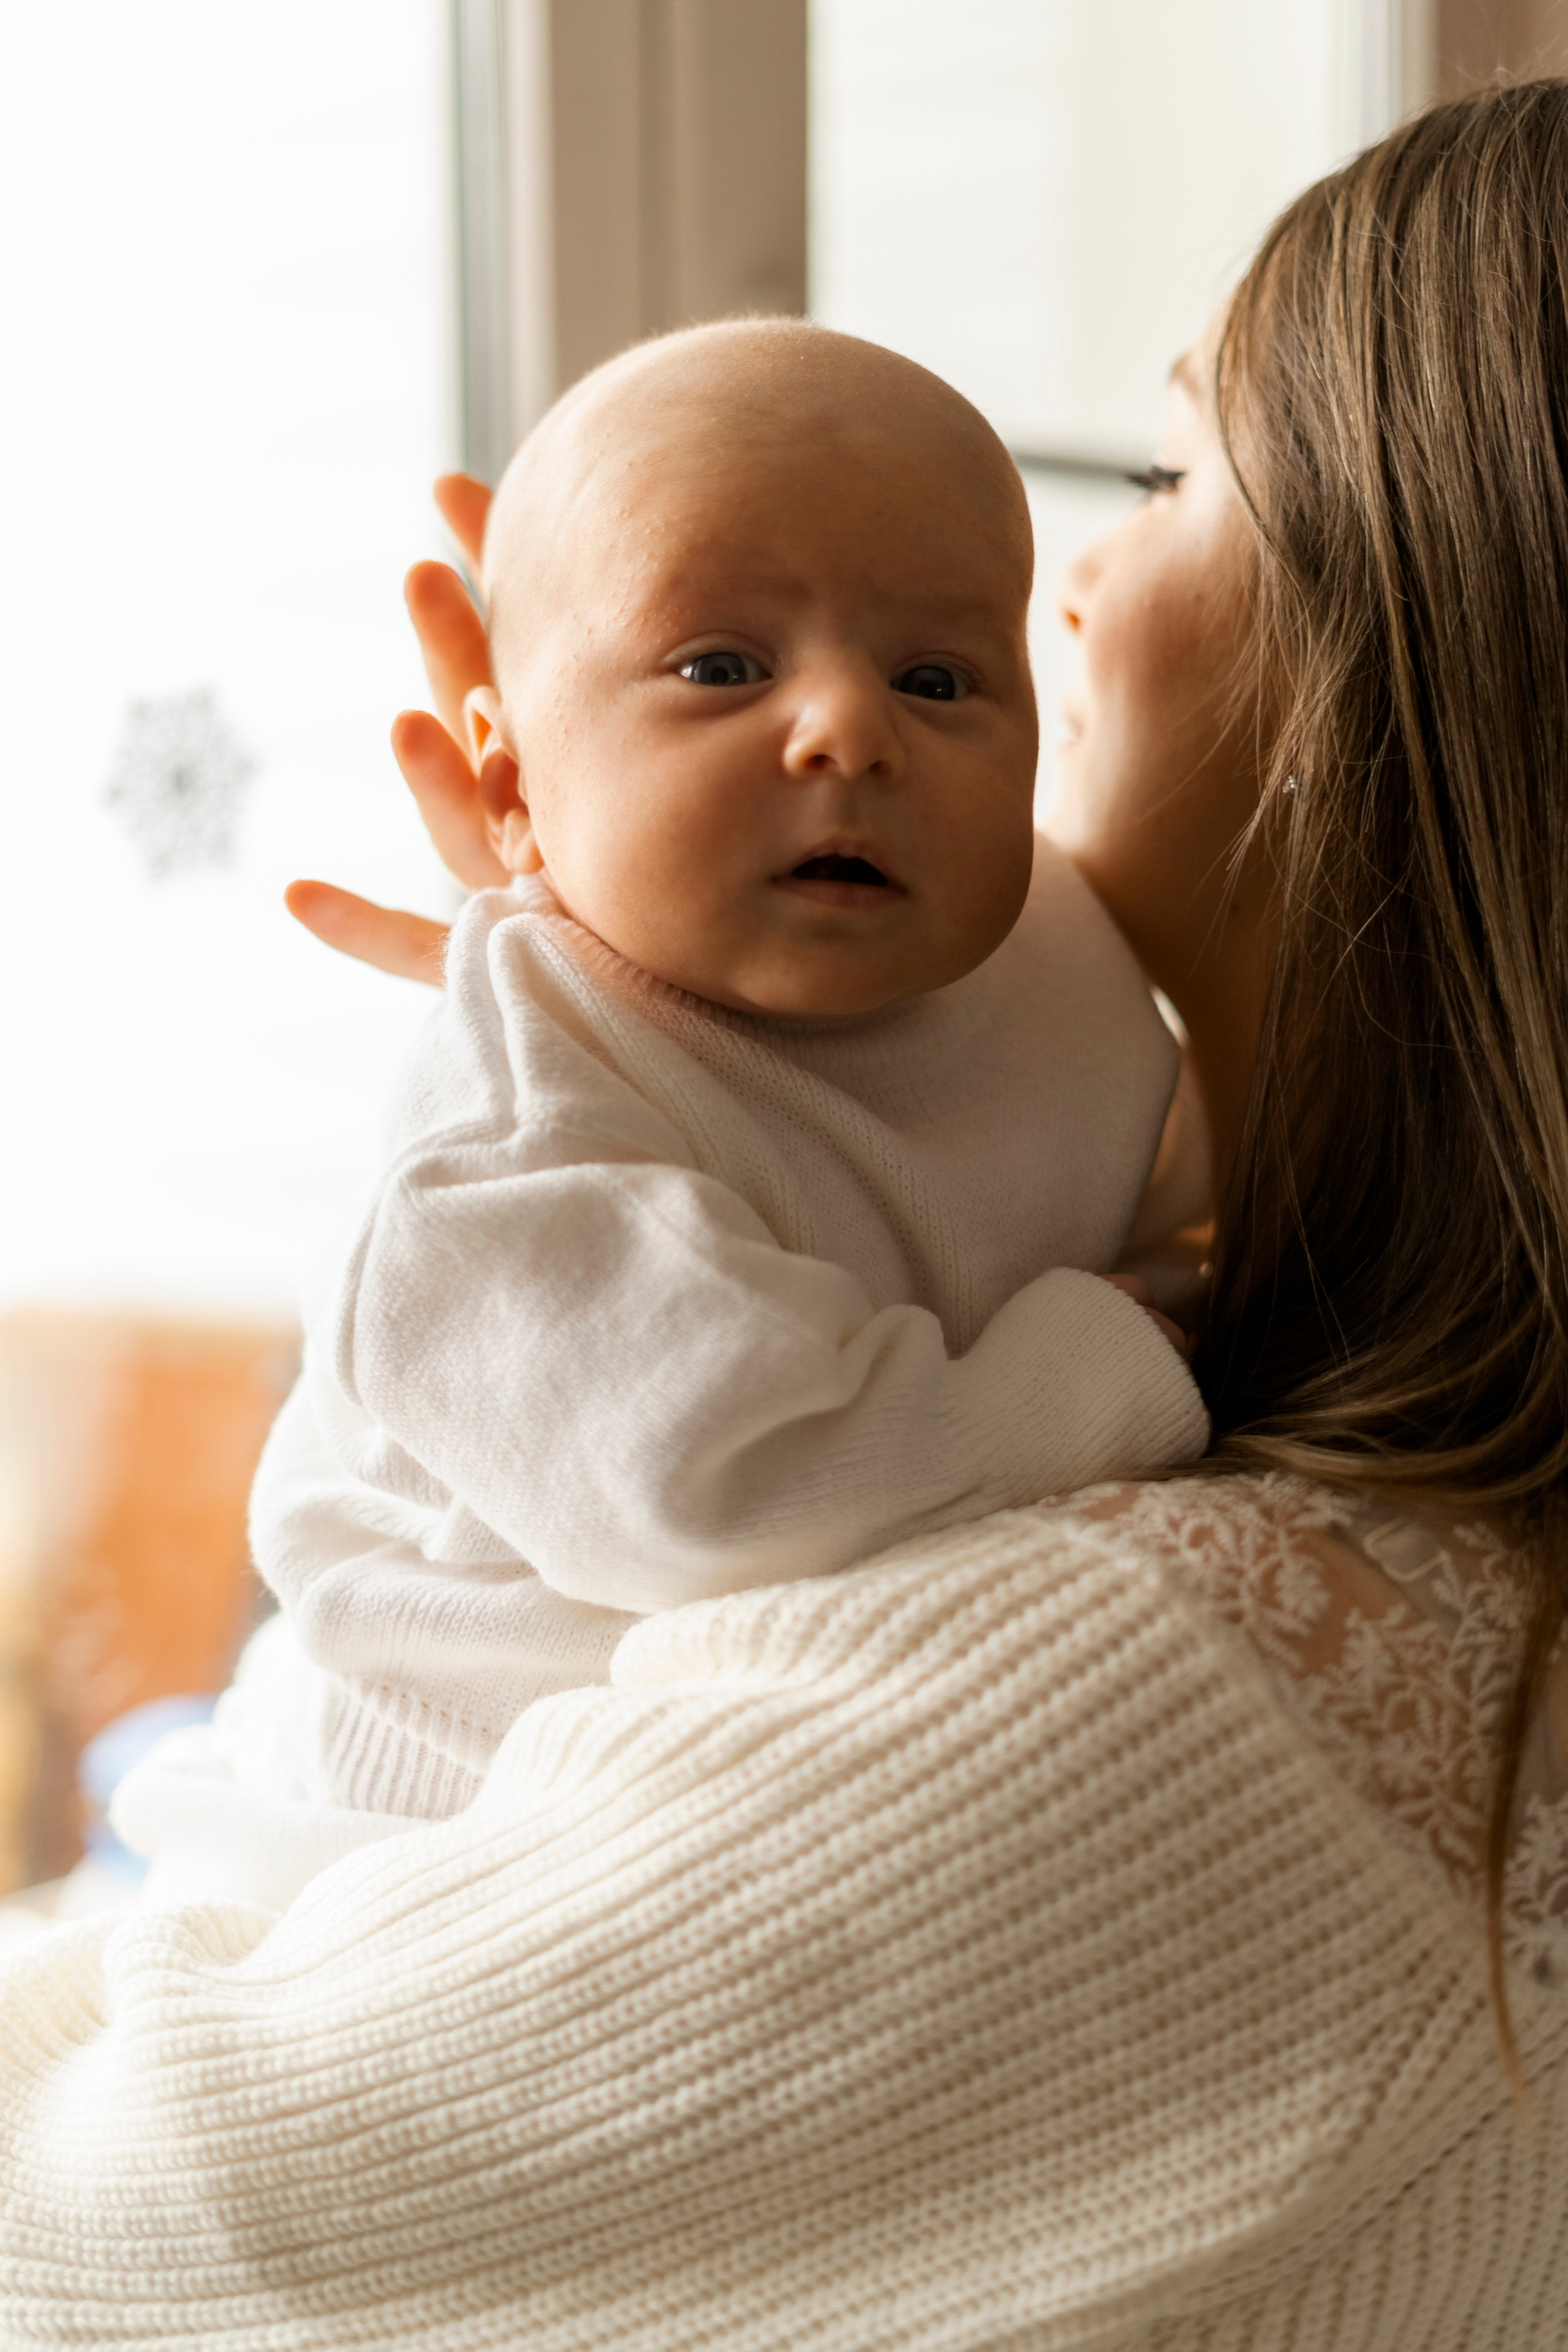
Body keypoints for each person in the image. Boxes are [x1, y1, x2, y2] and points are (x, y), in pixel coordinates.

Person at [4, 78, 1568, 2350]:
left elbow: (94, 2238)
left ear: (1405, 660)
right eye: (717, 667)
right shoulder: (1404, 1465)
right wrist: (673, 1047)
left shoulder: (1206, 1712)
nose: (1085, 581)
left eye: (1165, 477)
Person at [111, 322, 1206, 1904]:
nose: (848, 730)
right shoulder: (505, 1154)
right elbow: (749, 1498)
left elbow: (1165, 1172)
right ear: (508, 788)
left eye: (940, 675)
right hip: (416, 1842)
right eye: (719, 667)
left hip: (768, 1785)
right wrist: (1127, 1353)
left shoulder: (1056, 940)